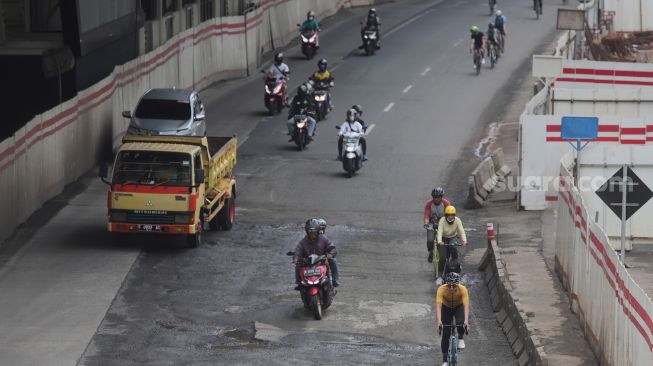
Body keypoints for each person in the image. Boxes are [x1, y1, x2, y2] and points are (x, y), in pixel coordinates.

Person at [293, 219, 339, 289]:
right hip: (308, 263)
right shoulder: (303, 242)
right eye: (310, 232)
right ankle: (299, 283)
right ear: (307, 232)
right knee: (298, 265)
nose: (313, 234)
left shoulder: (323, 238)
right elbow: (298, 251)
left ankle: (335, 280)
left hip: (322, 261)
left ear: (318, 231)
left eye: (314, 232)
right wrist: (296, 258)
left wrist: (330, 254)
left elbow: (332, 247)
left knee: (333, 260)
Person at [436, 272, 470, 366]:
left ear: (457, 284)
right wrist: (439, 321)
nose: (451, 288)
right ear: (446, 284)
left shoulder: (463, 289)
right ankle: (444, 360)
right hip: (446, 308)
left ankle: (460, 337)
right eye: (449, 285)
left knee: (461, 322)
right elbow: (438, 307)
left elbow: (466, 306)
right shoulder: (441, 289)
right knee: (445, 333)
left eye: (454, 286)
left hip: (458, 307)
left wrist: (466, 321)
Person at [436, 206, 467, 285]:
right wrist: (439, 241)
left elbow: (461, 231)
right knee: (443, 258)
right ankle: (440, 276)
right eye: (449, 215)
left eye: (452, 215)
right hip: (443, 239)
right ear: (446, 215)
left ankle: (454, 271)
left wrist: (464, 240)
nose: (450, 217)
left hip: (452, 237)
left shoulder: (457, 221)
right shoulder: (442, 221)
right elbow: (439, 232)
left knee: (454, 251)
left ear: (454, 215)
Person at [423, 187, 451, 264]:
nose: (436, 199)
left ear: (441, 197)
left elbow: (450, 215)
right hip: (432, 223)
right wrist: (426, 223)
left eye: (438, 197)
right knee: (430, 240)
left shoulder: (446, 203)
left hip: (443, 223)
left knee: (447, 238)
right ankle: (431, 252)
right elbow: (426, 215)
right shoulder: (429, 204)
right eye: (434, 197)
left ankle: (448, 252)